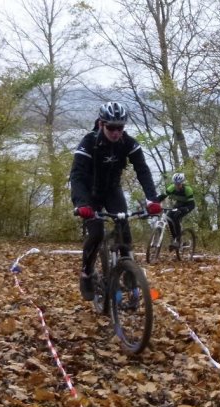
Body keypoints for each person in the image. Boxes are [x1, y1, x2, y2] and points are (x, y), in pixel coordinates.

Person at [70, 101, 162, 300]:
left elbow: (143, 170)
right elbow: (76, 175)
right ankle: (86, 273)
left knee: (124, 229)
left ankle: (128, 269)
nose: (115, 132)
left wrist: (151, 199)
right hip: (89, 194)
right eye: (111, 127)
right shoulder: (88, 142)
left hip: (112, 190)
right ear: (102, 124)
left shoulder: (127, 142)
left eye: (120, 128)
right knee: (96, 233)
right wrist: (81, 204)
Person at [157, 173, 196, 249]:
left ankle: (177, 241)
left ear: (182, 183)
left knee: (176, 218)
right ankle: (175, 238)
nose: (177, 186)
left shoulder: (188, 190)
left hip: (187, 206)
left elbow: (192, 205)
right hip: (178, 204)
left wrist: (186, 209)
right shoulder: (171, 188)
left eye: (179, 184)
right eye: (175, 184)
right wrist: (155, 202)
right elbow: (162, 197)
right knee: (169, 218)